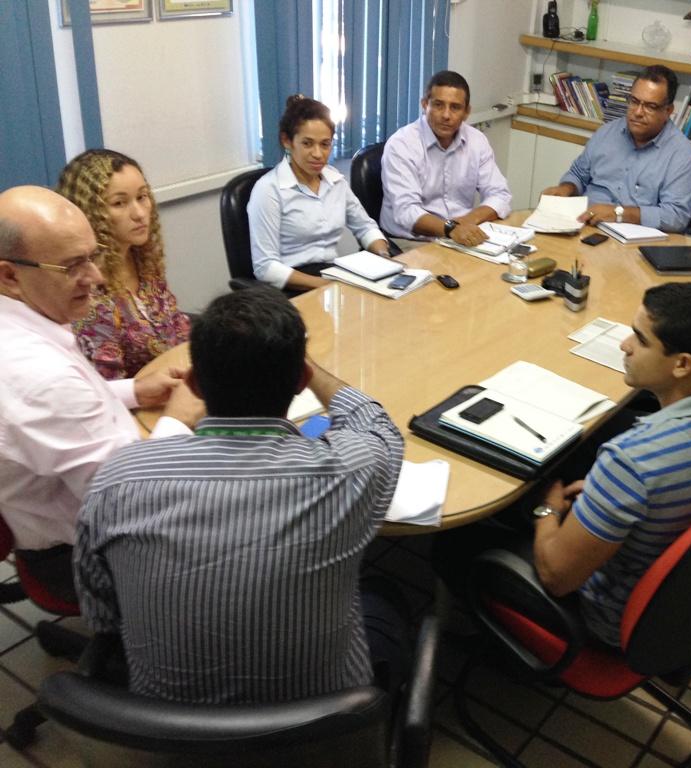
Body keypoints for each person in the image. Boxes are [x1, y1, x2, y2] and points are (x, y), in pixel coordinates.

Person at [76, 287, 409, 703]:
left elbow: (104, 614)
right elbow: (377, 425)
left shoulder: (118, 479)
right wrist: (308, 368)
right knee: (384, 596)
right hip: (323, 724)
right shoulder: (351, 468)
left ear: (194, 385)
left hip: (166, 725)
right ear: (301, 381)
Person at [435, 283, 691, 648]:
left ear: (682, 365)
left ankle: (482, 642)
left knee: (452, 541)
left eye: (640, 339)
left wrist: (548, 509)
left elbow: (556, 578)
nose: (625, 345)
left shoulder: (631, 461)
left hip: (609, 620)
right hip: (687, 591)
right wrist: (606, 494)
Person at [0, 187, 197, 601]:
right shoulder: (39, 375)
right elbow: (137, 501)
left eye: (93, 256)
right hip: (87, 552)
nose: (97, 277)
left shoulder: (22, 321)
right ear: (10, 276)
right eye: (73, 266)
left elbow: (66, 402)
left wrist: (134, 390)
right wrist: (179, 418)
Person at [56, 149, 191, 380]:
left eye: (142, 197)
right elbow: (107, 382)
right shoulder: (86, 288)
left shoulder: (142, 260)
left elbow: (178, 329)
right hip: (134, 397)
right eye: (119, 203)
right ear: (90, 212)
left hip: (177, 380)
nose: (139, 214)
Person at [248, 94, 391, 294]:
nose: (318, 154)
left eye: (325, 144)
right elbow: (266, 267)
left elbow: (365, 227)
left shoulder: (336, 181)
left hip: (332, 276)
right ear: (287, 141)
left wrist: (384, 258)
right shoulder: (269, 190)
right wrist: (326, 286)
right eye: (307, 143)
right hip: (291, 288)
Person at [540, 65, 691, 233]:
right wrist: (566, 188)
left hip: (634, 238)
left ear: (668, 111)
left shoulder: (681, 155)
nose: (638, 112)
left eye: (650, 106)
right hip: (583, 225)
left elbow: (676, 216)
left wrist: (619, 214)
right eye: (634, 101)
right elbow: (578, 174)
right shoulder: (607, 132)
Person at [380, 70, 512, 248]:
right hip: (411, 242)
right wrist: (451, 229)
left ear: (466, 112)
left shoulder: (477, 141)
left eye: (455, 107)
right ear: (425, 104)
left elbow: (500, 194)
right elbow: (406, 211)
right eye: (438, 105)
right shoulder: (401, 145)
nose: (446, 115)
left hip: (460, 236)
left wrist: (467, 222)